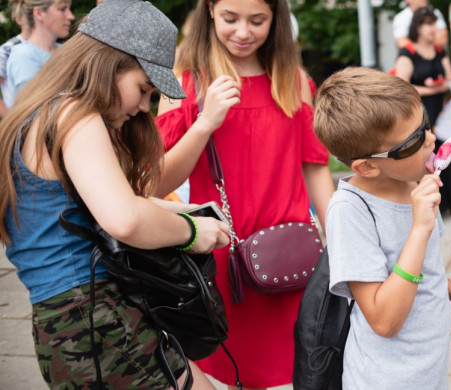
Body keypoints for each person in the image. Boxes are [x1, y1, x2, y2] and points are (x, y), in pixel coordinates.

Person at [0, 0, 230, 388]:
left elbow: (92, 204)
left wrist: (179, 212)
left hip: (66, 323)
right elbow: (124, 218)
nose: (144, 106)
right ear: (110, 62)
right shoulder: (74, 113)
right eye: (143, 89)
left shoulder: (37, 113)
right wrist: (192, 233)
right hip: (94, 315)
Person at [154, 0, 335, 388]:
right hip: (223, 263)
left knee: (298, 373)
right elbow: (156, 181)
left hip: (292, 259)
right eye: (230, 19)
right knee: (228, 374)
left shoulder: (294, 80)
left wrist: (340, 237)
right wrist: (206, 122)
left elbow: (315, 169)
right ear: (210, 14)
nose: (243, 32)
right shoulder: (185, 79)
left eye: (257, 21)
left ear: (276, 20)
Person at [313, 66, 451, 388]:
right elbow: (383, 319)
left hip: (429, 374)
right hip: (385, 379)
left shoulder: (414, 182)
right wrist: (419, 230)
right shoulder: (351, 211)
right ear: (367, 166)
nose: (431, 140)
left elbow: (426, 270)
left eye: (427, 125)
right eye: (413, 142)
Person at [394, 6, 451, 216]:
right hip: (420, 113)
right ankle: (432, 205)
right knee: (425, 157)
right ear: (417, 27)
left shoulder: (440, 51)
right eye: (428, 24)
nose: (433, 29)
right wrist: (431, 88)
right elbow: (401, 85)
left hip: (443, 113)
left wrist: (443, 84)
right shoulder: (408, 52)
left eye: (434, 24)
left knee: (449, 153)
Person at [5, 0, 74, 108]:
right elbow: (32, 111)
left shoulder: (65, 50)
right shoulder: (24, 55)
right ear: (39, 13)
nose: (71, 16)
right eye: (62, 9)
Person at [0, 1, 32, 118]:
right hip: (21, 124)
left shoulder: (53, 47)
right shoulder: (7, 50)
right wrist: (11, 119)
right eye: (29, 15)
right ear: (19, 19)